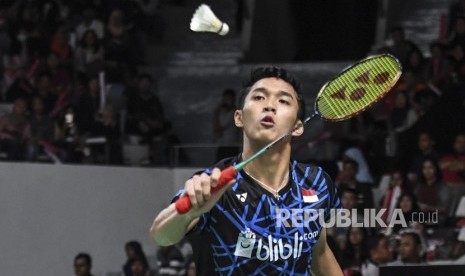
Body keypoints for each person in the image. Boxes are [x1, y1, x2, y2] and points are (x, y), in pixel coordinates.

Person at [150, 66, 343, 274]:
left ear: (297, 127)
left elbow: (319, 252)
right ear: (239, 118)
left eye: (283, 101)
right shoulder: (214, 185)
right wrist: (189, 212)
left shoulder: (316, 183)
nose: (269, 106)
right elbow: (161, 235)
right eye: (259, 97)